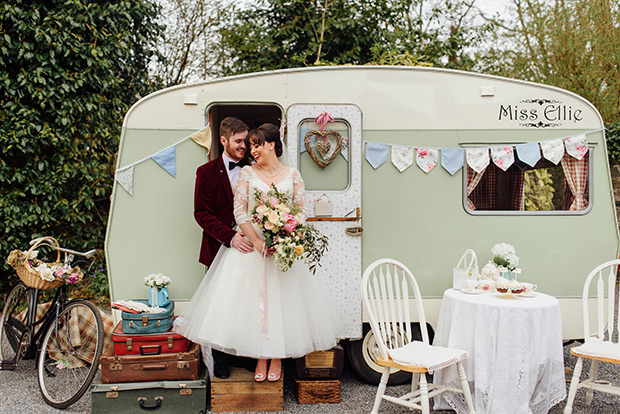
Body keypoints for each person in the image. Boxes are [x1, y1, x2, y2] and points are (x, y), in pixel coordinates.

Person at [176, 123, 341, 382]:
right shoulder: (247, 174)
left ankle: (276, 357)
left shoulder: (293, 175)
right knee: (252, 303)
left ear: (272, 145)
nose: (251, 150)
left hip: (282, 248)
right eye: (249, 144)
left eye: (256, 144)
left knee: (281, 304)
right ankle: (259, 358)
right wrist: (256, 241)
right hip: (251, 247)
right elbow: (239, 210)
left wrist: (288, 235)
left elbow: (300, 212)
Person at [193, 116, 255, 378]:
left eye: (246, 141)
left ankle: (246, 355)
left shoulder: (254, 168)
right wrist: (230, 237)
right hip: (219, 247)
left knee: (247, 305)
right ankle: (220, 359)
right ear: (224, 140)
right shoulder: (205, 172)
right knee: (219, 307)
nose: (244, 146)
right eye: (239, 141)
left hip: (249, 250)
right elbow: (201, 213)